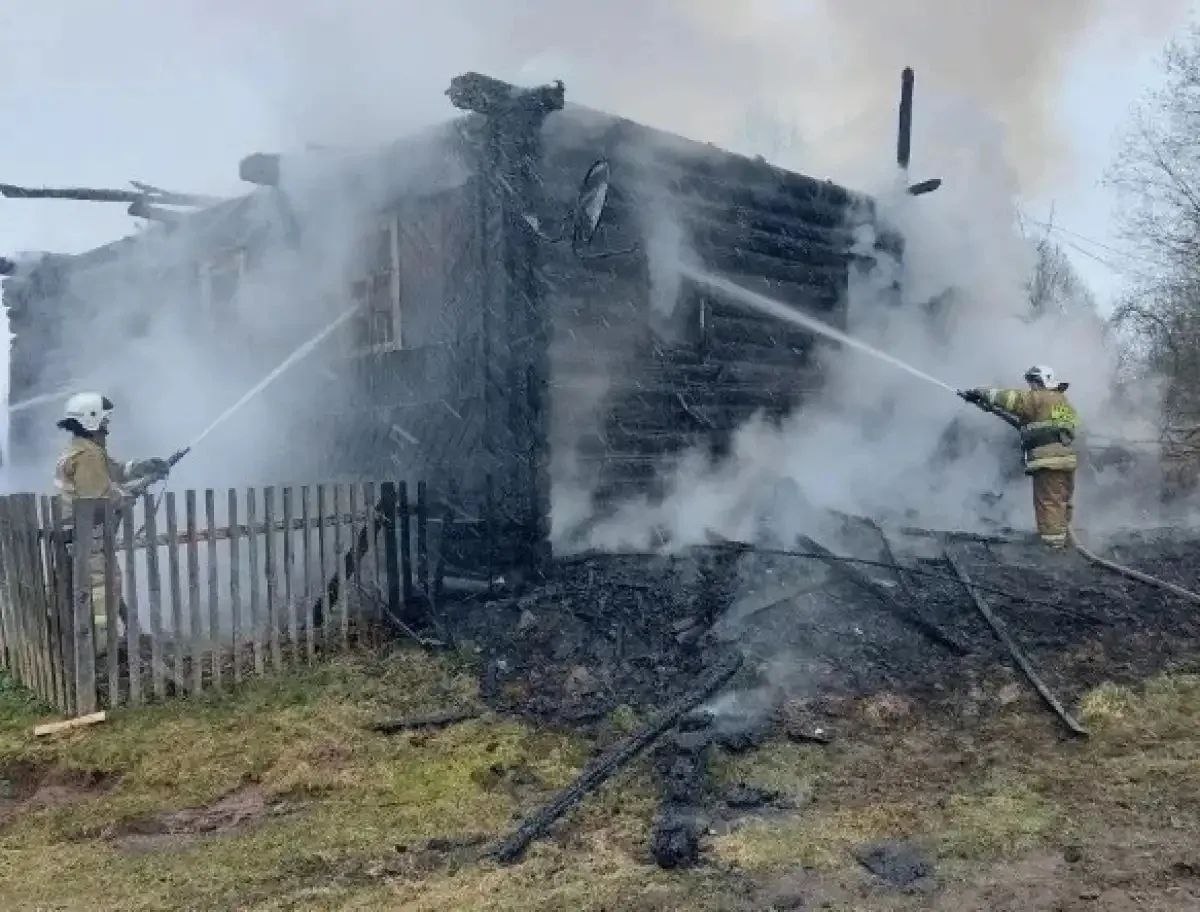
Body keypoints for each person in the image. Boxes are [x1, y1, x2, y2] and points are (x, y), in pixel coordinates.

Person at [54, 392, 172, 654]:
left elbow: (115, 471)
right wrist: (130, 494)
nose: (108, 426)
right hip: (89, 535)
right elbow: (99, 496)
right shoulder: (87, 456)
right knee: (101, 589)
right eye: (105, 420)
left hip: (83, 534)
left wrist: (144, 467)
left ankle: (105, 641)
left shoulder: (85, 449)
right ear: (91, 420)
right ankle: (100, 650)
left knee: (105, 583)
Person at [960, 366, 1080, 549]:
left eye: (1033, 381)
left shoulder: (1038, 397)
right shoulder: (1062, 401)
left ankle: (1051, 547)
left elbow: (1011, 399)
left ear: (1041, 381)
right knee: (1061, 502)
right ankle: (1065, 541)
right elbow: (1046, 426)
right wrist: (988, 407)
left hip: (1048, 461)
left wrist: (980, 392)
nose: (1030, 386)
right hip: (1065, 460)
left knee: (1048, 503)